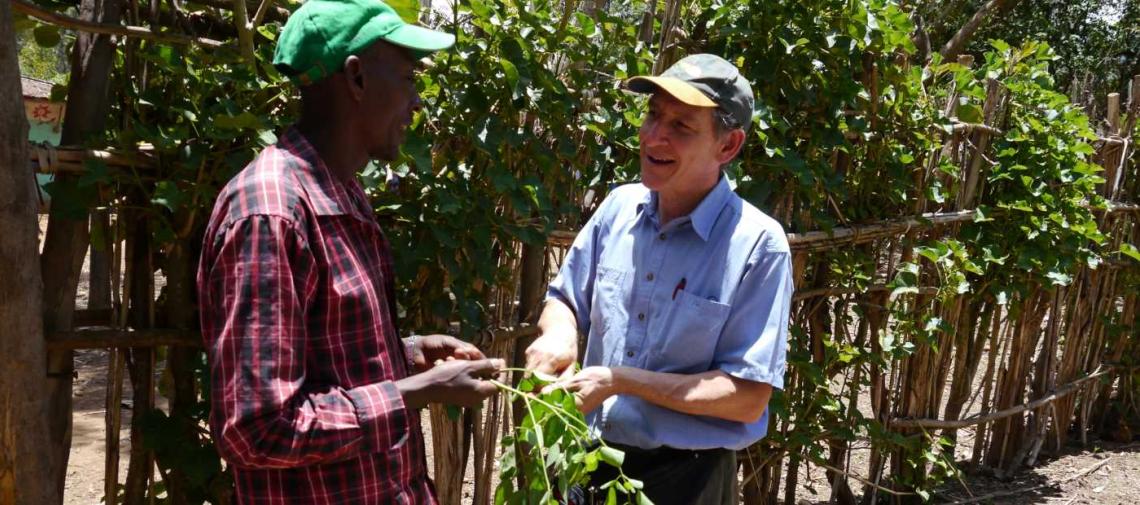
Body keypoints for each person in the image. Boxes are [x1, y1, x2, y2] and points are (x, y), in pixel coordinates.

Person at [196, 1, 503, 503]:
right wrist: (416, 393)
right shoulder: (269, 212)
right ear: (357, 79)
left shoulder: (340, 192)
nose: (417, 101)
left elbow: (321, 359)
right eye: (407, 78)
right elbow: (257, 429)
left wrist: (407, 354)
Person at [525, 54, 793, 505]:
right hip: (584, 462)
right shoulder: (618, 208)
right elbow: (565, 299)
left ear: (727, 147)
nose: (653, 136)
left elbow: (746, 396)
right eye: (653, 115)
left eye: (681, 126)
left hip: (686, 483)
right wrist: (560, 335)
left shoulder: (758, 245)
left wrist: (620, 380)